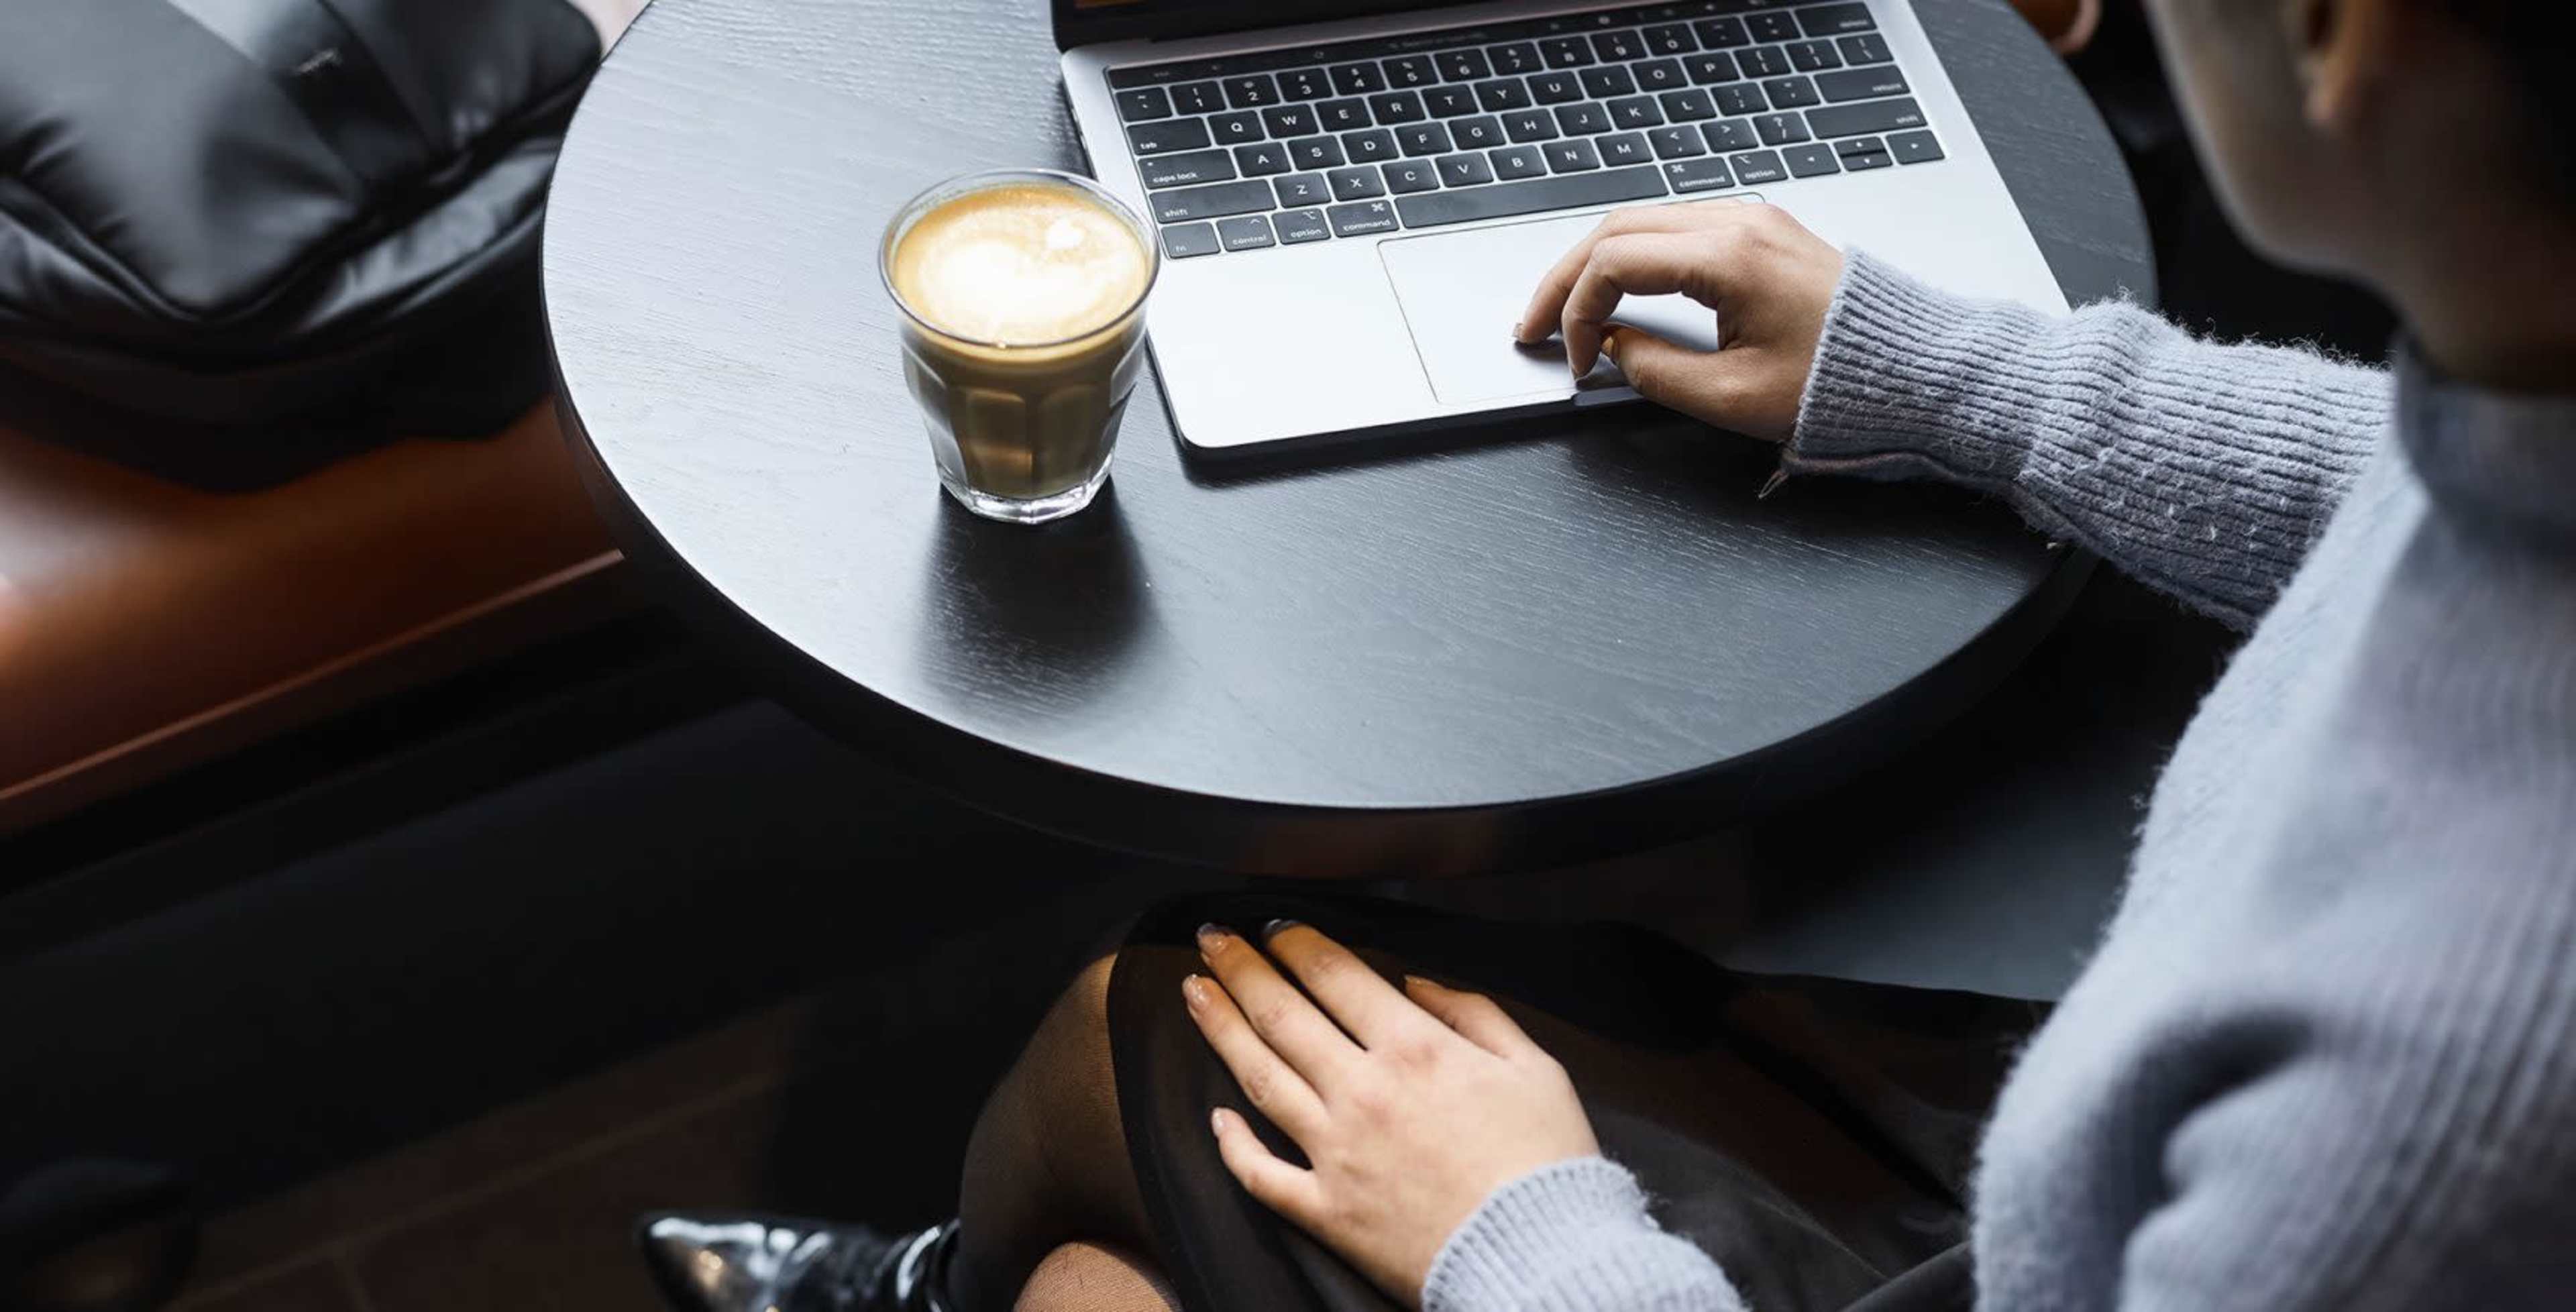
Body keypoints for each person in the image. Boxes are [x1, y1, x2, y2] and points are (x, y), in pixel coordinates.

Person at [639, 0, 2576, 1307]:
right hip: (2097, 1120)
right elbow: (2422, 481)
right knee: (1164, 1067)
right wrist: (1955, 372)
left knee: (1155, 1027)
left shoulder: (2445, 1084)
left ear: (2342, 34)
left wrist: (1522, 1232)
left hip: (2079, 1219)